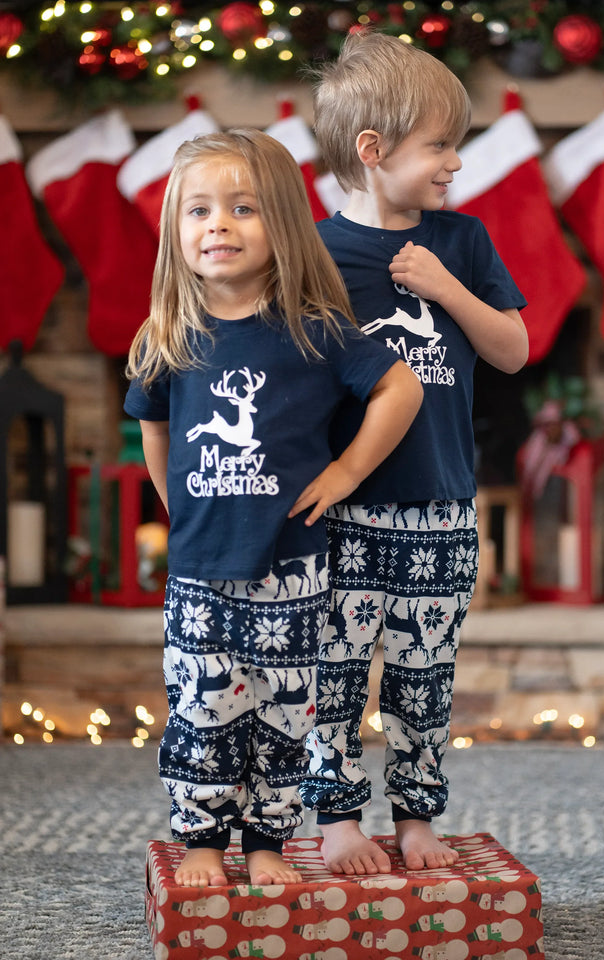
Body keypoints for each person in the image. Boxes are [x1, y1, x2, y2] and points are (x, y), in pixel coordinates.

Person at [123, 128, 423, 889]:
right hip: (199, 573)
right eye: (198, 211)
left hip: (291, 571)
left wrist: (349, 470)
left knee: (285, 715)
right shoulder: (170, 336)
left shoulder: (313, 330)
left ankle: (265, 842)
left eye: (241, 208)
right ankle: (200, 841)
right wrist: (176, 501)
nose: (216, 224)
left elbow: (401, 386)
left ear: (282, 222)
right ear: (176, 230)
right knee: (201, 712)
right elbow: (152, 426)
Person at [300, 32, 529, 876]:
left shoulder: (460, 242)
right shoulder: (313, 254)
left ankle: (419, 817)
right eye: (440, 145)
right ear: (374, 150)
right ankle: (334, 820)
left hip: (439, 502)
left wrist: (446, 289)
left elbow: (511, 350)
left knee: (424, 679)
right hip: (341, 510)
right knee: (332, 675)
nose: (455, 164)